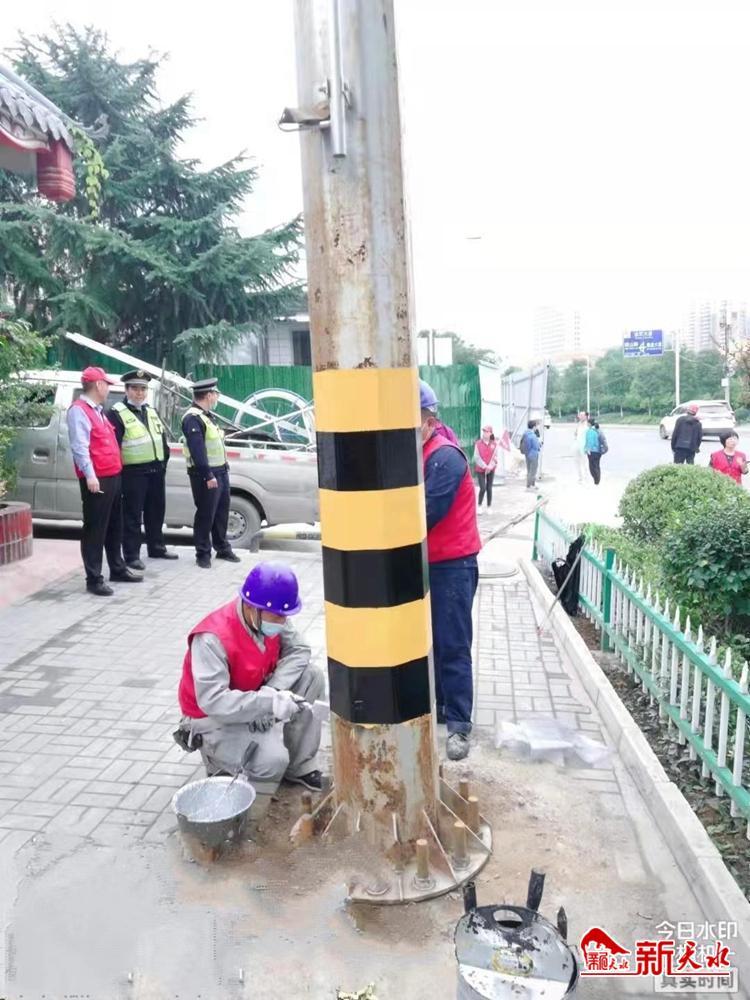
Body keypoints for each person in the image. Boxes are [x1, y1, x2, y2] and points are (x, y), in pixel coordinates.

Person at [177, 562, 325, 790]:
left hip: (253, 695)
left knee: (311, 676)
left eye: (285, 616)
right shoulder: (211, 639)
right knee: (272, 761)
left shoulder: (270, 615)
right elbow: (214, 701)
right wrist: (267, 703)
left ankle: (299, 766)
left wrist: (272, 691)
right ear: (250, 607)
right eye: (276, 616)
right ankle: (218, 765)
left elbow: (300, 650)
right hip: (211, 716)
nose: (282, 623)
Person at [420, 379, 481, 761]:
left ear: (428, 421)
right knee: (436, 642)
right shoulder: (424, 451)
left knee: (453, 644)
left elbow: (425, 514)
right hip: (433, 564)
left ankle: (459, 724)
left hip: (454, 566)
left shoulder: (445, 458)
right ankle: (442, 706)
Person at [66, 366, 142, 596]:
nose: (108, 389)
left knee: (114, 525)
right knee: (95, 528)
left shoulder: (98, 411)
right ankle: (94, 578)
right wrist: (90, 475)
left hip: (112, 475)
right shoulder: (79, 411)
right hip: (97, 479)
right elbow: (80, 447)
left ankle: (117, 568)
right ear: (98, 385)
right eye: (106, 384)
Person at [107, 369, 178, 570]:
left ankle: (156, 547)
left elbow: (161, 440)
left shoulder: (150, 411)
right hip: (133, 473)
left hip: (156, 471)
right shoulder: (116, 413)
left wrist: (162, 465)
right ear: (126, 390)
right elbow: (114, 447)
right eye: (135, 389)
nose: (140, 393)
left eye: (143, 389)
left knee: (156, 511)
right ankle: (131, 555)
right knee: (132, 516)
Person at [181, 377, 241, 568]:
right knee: (206, 514)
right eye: (216, 394)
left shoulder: (206, 416)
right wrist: (208, 475)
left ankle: (222, 548)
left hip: (220, 471)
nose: (217, 397)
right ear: (208, 395)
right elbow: (197, 451)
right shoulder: (193, 418)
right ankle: (203, 554)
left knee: (221, 512)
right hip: (206, 474)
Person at [472, 424, 498, 513]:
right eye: (484, 431)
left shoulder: (494, 444)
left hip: (491, 469)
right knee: (482, 488)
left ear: (491, 433)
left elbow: (495, 457)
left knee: (489, 488)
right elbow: (476, 457)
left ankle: (489, 506)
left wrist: (490, 466)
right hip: (480, 469)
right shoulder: (478, 444)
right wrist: (484, 466)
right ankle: (479, 505)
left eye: (487, 432)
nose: (485, 433)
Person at [520, 420, 542, 490]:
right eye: (536, 426)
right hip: (533, 454)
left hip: (527, 454)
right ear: (534, 427)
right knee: (533, 471)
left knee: (529, 470)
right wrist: (540, 443)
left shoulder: (525, 434)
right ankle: (530, 486)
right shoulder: (533, 435)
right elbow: (536, 446)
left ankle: (530, 485)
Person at [584, 417, 603, 485]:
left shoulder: (590, 431)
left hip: (592, 451)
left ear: (589, 423)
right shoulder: (597, 430)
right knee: (597, 465)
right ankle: (597, 480)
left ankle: (596, 481)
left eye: (587, 423)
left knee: (592, 467)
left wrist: (587, 449)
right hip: (598, 451)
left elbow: (590, 442)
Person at [574, 411, 589, 483]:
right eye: (580, 415)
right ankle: (580, 477)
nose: (580, 417)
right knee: (577, 462)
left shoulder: (588, 425)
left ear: (586, 416)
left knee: (585, 462)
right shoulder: (578, 424)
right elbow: (576, 433)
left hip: (584, 446)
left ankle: (586, 478)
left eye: (582, 415)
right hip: (577, 445)